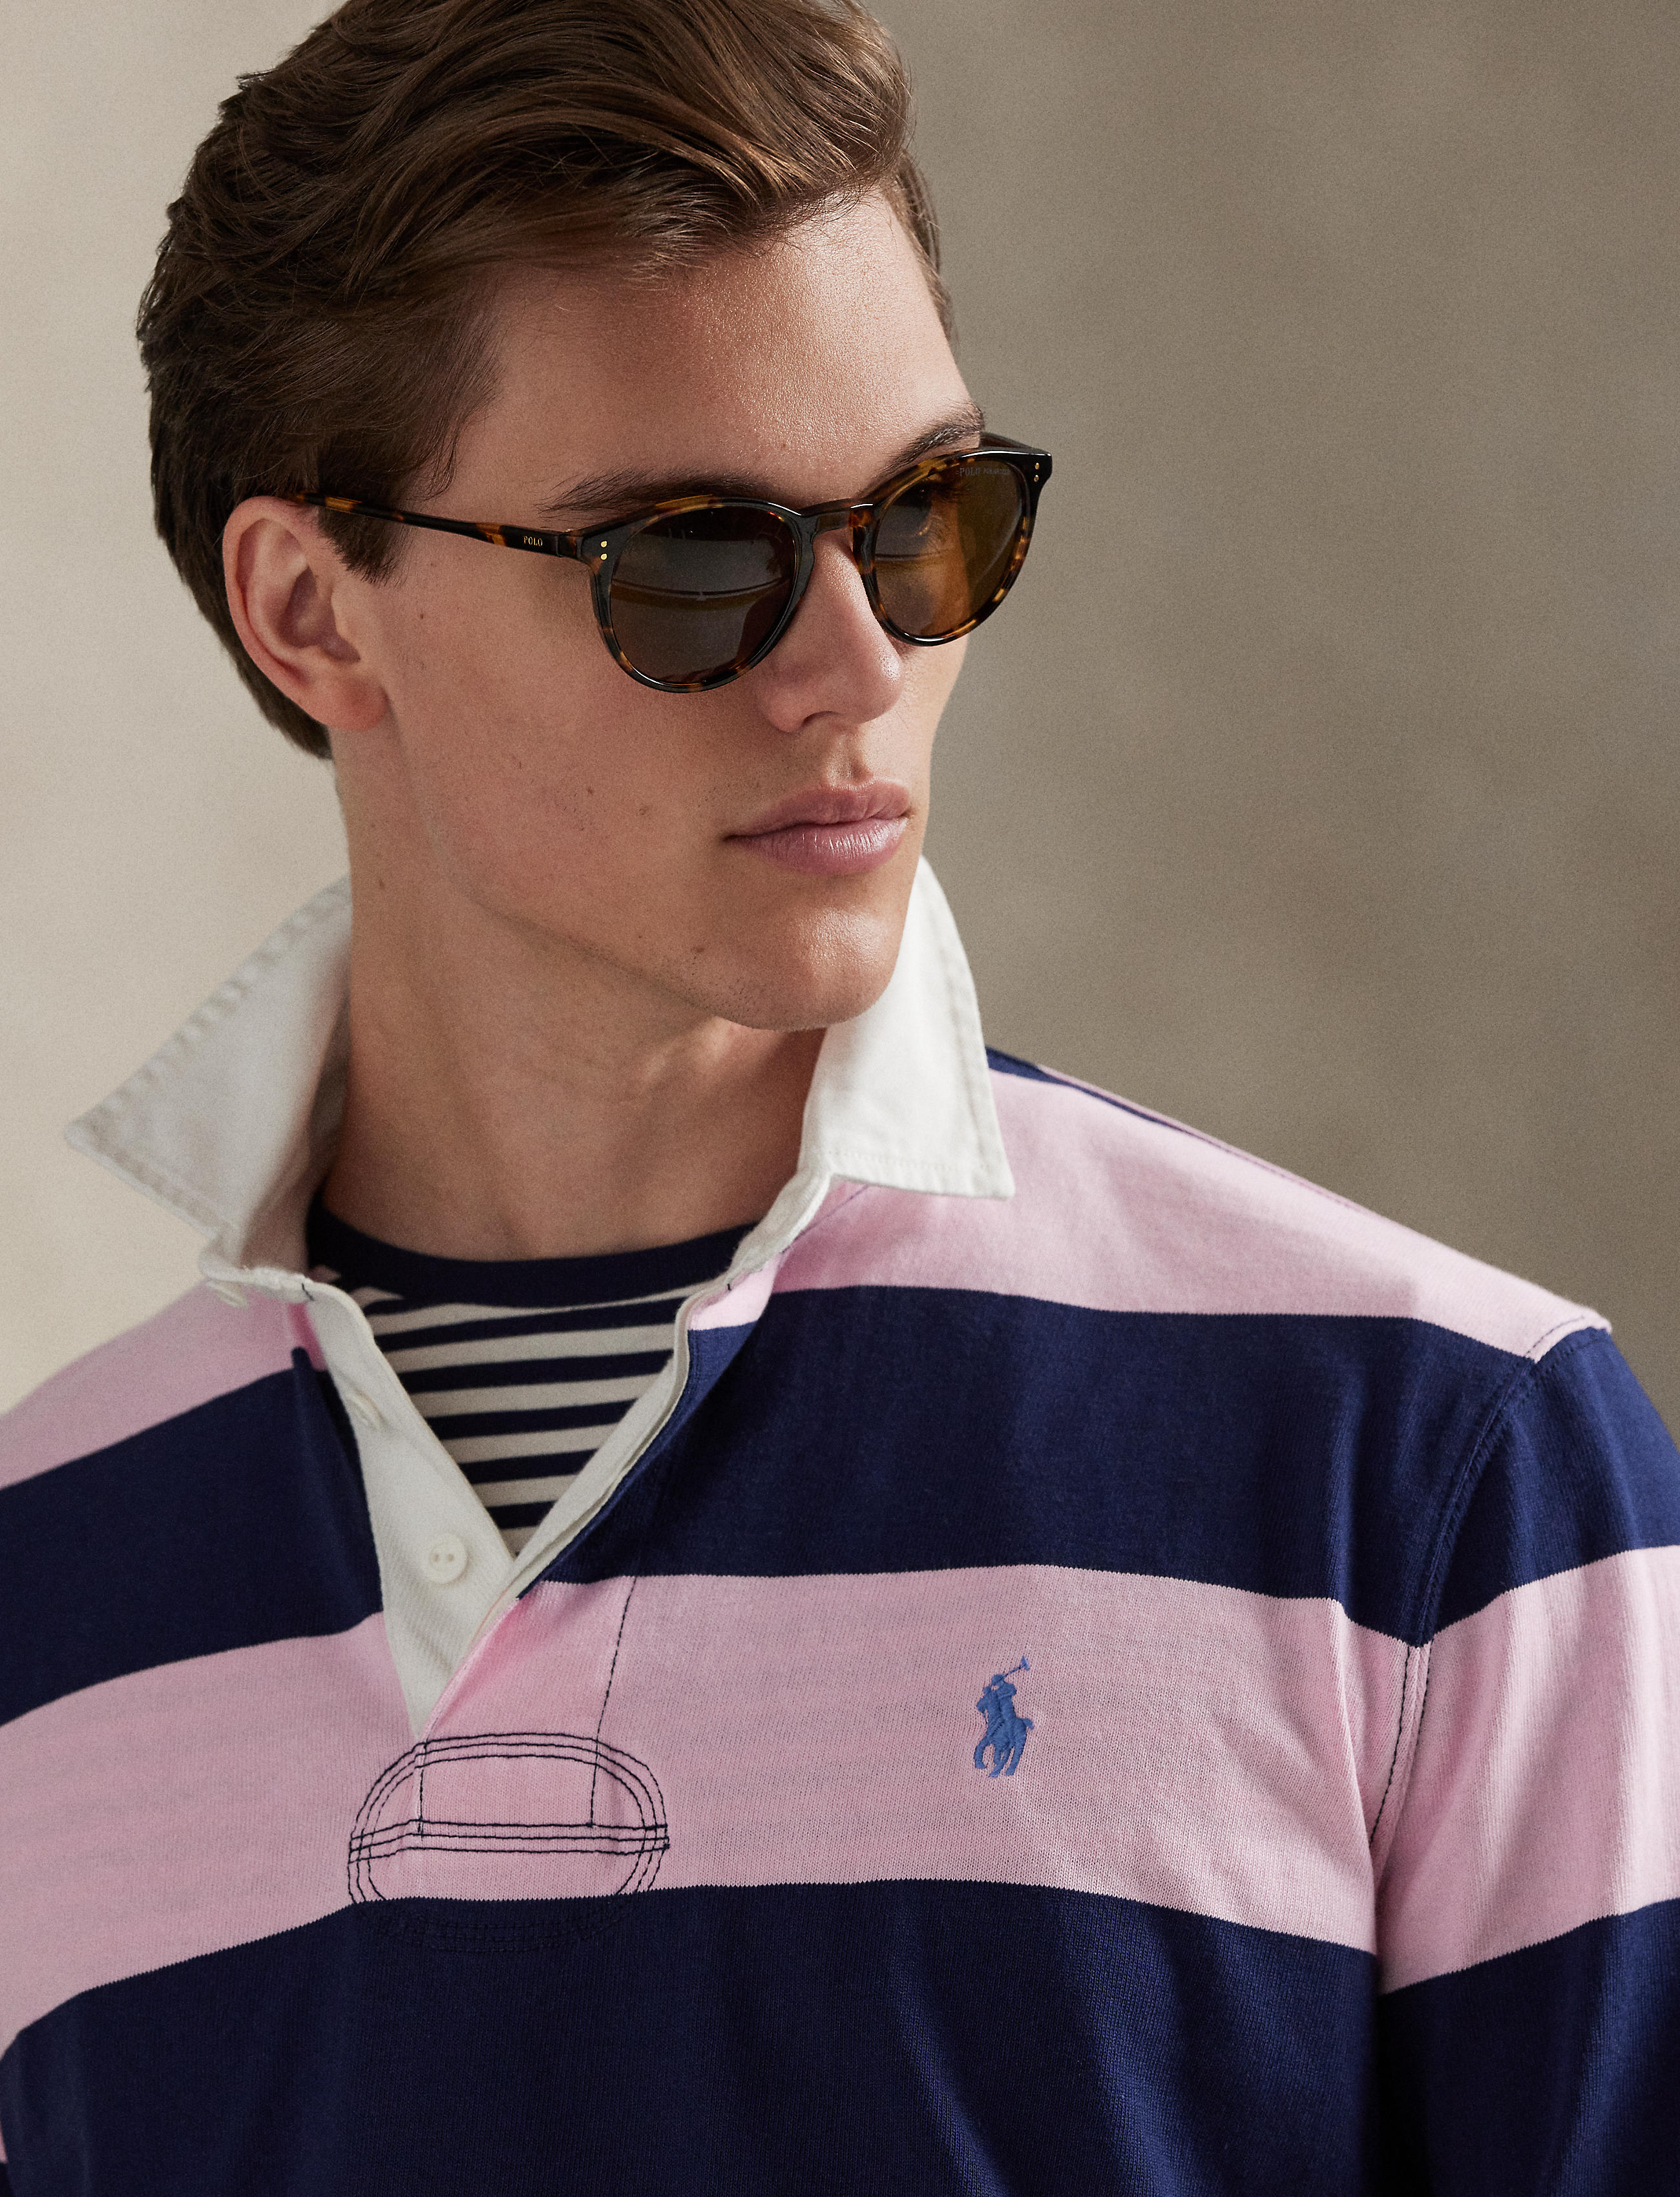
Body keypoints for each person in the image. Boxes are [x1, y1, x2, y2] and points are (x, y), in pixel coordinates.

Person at [1, 0, 1675, 2187]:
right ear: (314, 611)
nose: (861, 664)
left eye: (924, 521)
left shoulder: (1439, 1471)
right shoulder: (37, 1597)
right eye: (689, 561)